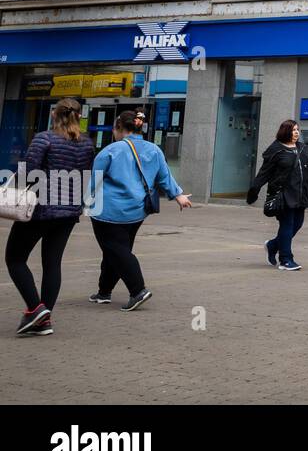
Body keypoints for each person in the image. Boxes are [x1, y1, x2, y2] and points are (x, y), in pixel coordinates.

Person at [6, 99, 97, 337]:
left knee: (14, 258)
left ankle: (36, 309)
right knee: (52, 263)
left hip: (40, 210)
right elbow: (85, 177)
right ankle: (44, 319)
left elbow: (28, 174)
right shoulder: (86, 143)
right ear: (79, 116)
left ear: (54, 115)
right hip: (68, 213)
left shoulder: (44, 138)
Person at [88, 110, 192, 312]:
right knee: (116, 250)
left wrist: (82, 204)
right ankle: (104, 292)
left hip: (109, 211)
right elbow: (164, 176)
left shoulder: (111, 150)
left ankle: (138, 291)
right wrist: (178, 195)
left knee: (117, 250)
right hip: (137, 211)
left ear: (119, 128)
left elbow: (94, 181)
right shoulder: (154, 149)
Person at [247, 120, 308, 271]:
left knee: (297, 224)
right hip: (283, 194)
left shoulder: (302, 148)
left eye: (297, 130)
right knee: (287, 225)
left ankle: (272, 245)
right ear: (285, 131)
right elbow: (264, 173)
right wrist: (254, 191)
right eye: (293, 130)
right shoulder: (276, 150)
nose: (296, 132)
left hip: (301, 193)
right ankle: (286, 259)